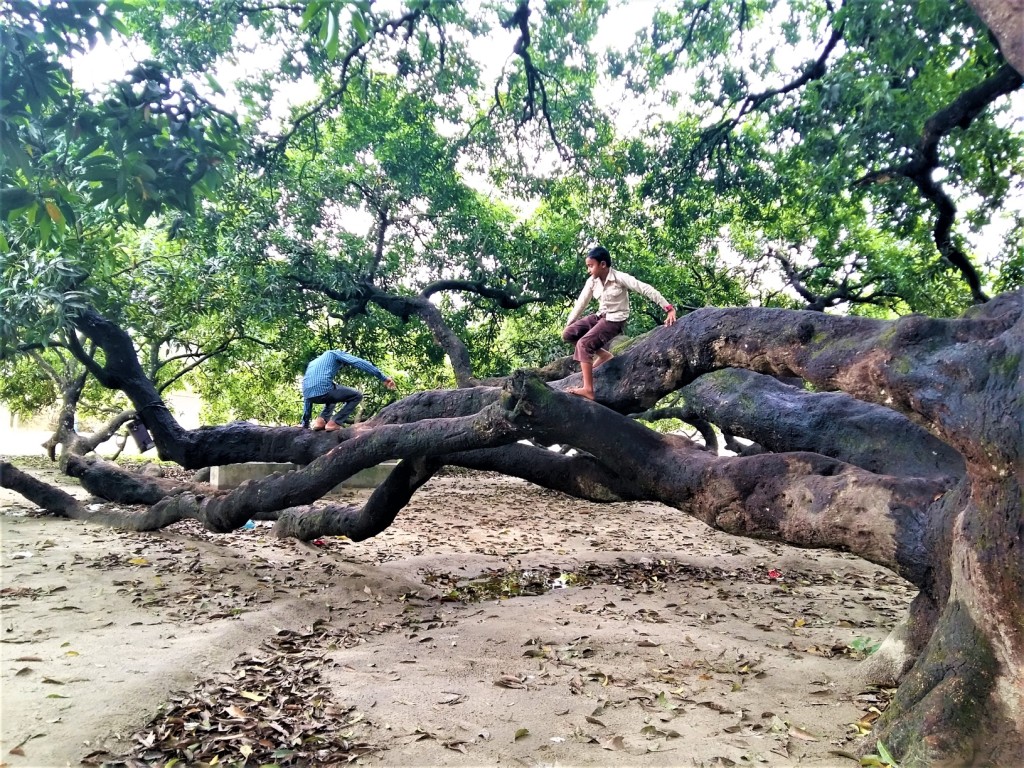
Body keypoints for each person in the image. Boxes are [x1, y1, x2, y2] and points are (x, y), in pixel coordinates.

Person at [561, 245, 676, 400]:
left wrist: (668, 308)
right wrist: (570, 323)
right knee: (568, 334)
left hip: (615, 320)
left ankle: (588, 389)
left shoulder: (620, 278)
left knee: (583, 344)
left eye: (591, 266)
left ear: (602, 264)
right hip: (601, 316)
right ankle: (604, 356)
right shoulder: (592, 281)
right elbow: (581, 303)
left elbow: (645, 289)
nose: (589, 270)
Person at [300, 349, 396, 431]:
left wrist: (305, 423)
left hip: (309, 395)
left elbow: (308, 394)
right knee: (357, 395)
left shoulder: (312, 363)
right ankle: (334, 422)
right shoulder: (334, 353)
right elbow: (359, 362)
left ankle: (321, 421)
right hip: (324, 389)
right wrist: (383, 378)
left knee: (332, 395)